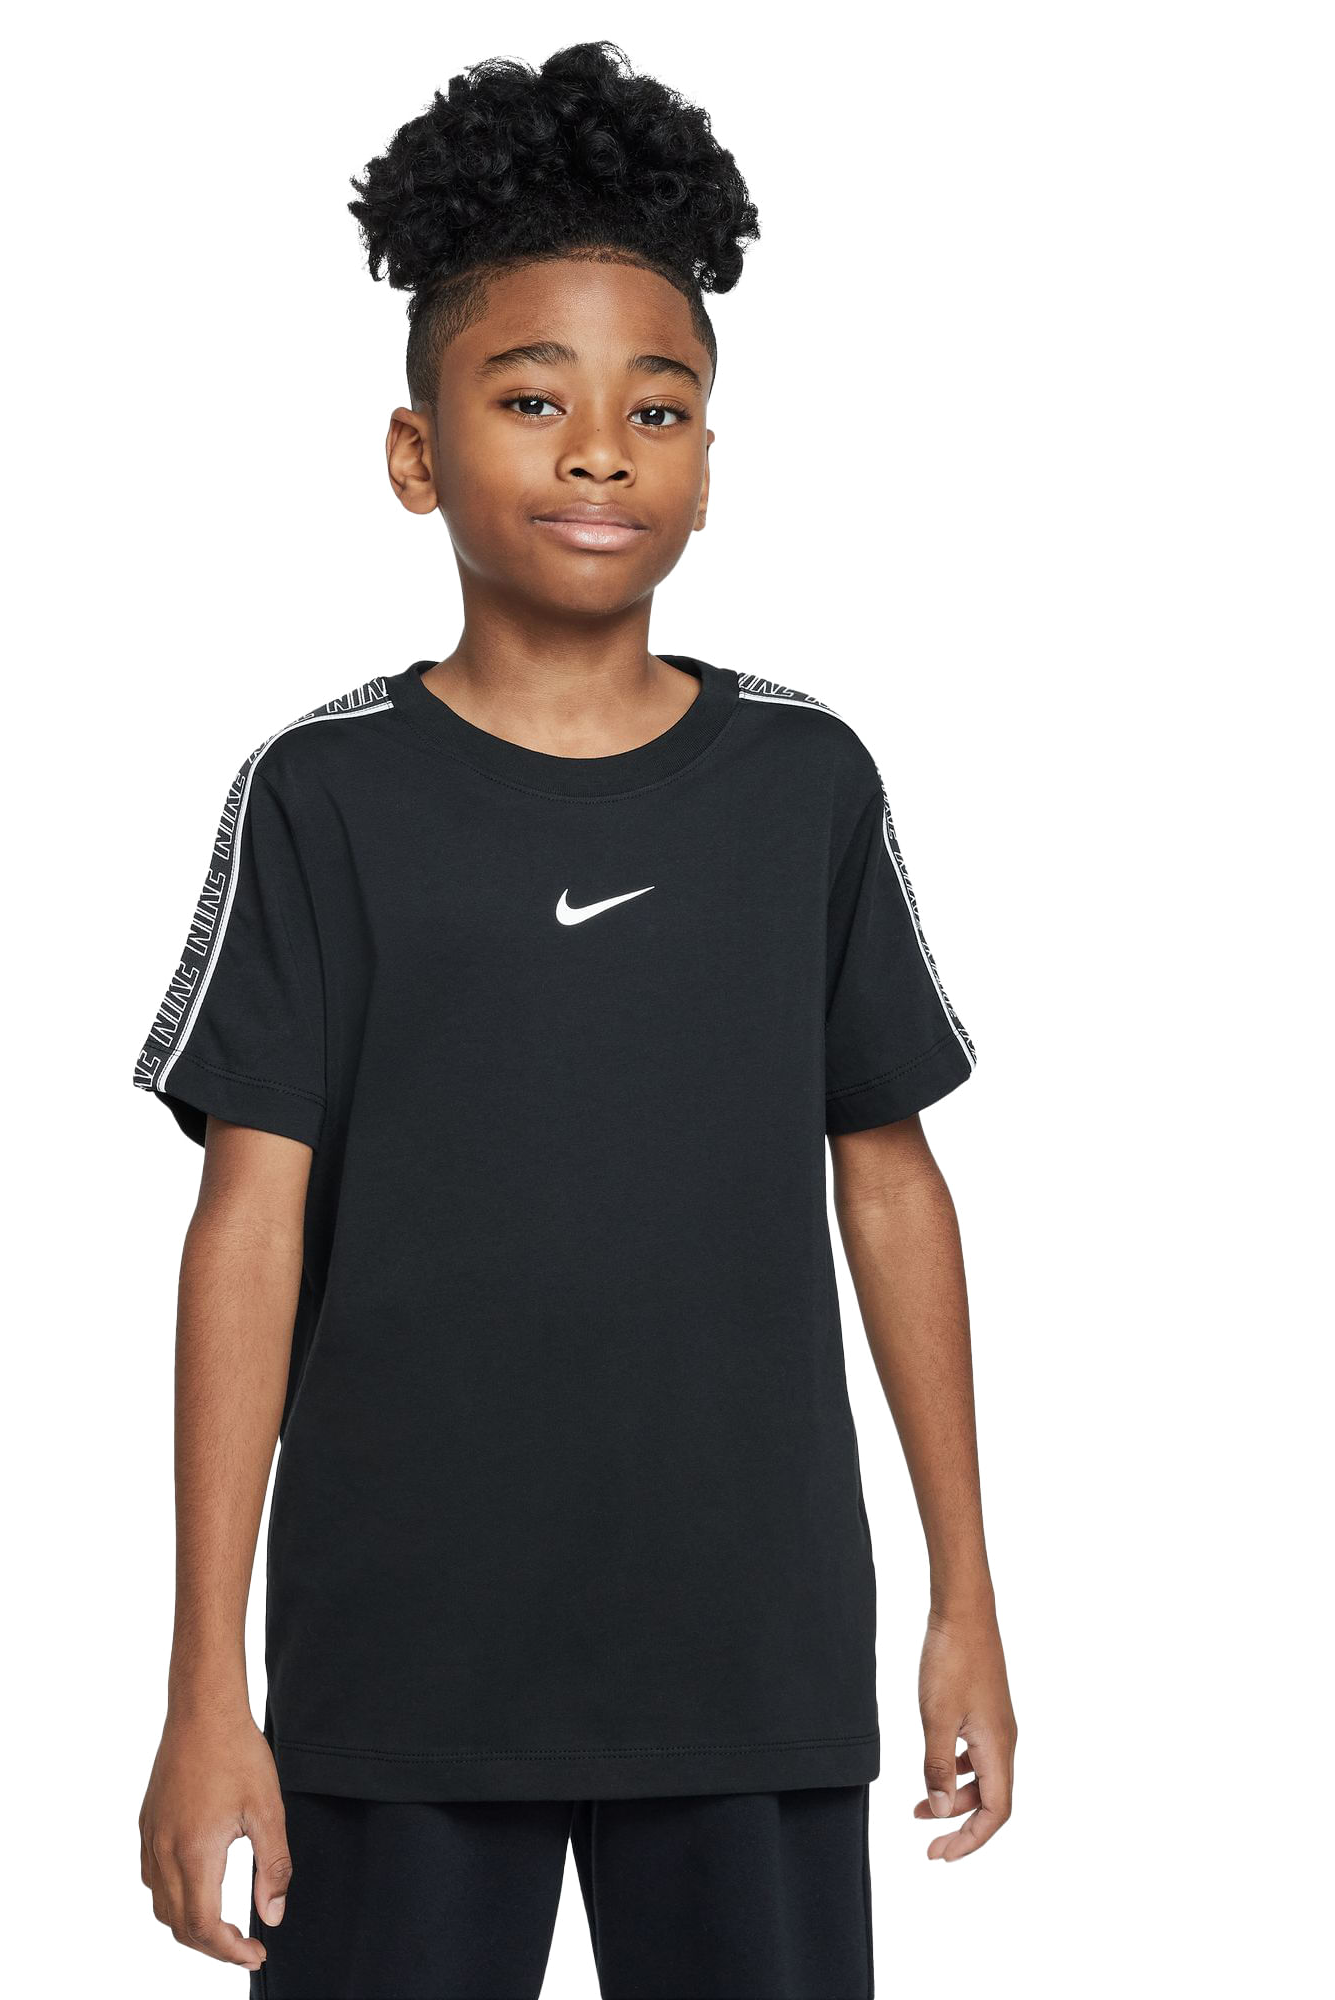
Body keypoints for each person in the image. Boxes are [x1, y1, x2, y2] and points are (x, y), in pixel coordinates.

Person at [132, 41, 1014, 1999]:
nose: (600, 450)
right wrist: (206, 1688)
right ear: (416, 452)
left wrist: (964, 1595)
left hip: (751, 1667)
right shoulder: (324, 798)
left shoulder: (802, 785)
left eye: (657, 406)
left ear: (707, 459)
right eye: (532, 398)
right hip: (398, 1686)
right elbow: (246, 1230)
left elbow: (889, 1184)